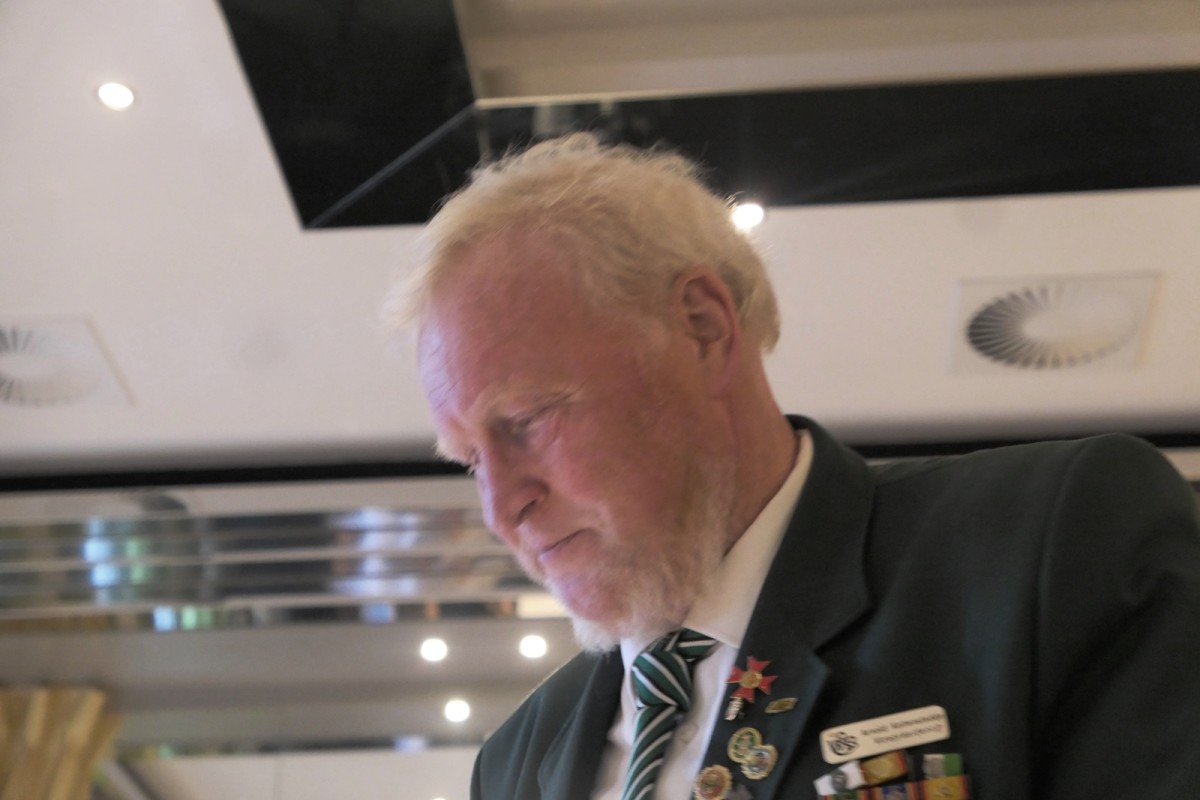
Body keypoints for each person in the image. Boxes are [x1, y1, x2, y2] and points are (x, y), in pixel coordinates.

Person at [388, 133, 1200, 800]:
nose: (502, 508)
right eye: (471, 460)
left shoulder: (1047, 549)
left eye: (527, 421)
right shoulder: (518, 760)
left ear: (703, 330)